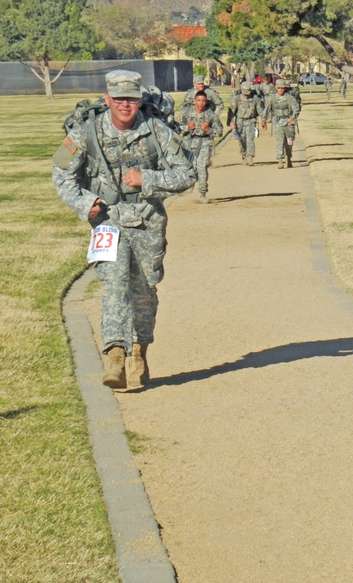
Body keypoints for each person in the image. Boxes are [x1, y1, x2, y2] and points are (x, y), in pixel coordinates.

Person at [52, 69, 195, 390]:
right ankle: (115, 355)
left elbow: (187, 173)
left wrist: (149, 180)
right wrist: (82, 202)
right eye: (118, 99)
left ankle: (139, 352)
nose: (125, 105)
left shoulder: (157, 131)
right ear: (107, 100)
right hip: (107, 220)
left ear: (139, 99)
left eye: (131, 99)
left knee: (145, 289)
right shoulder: (85, 133)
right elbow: (61, 172)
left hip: (148, 220)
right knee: (114, 284)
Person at [178, 90, 223, 202]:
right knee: (191, 167)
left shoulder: (210, 115)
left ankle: (202, 192)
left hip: (205, 143)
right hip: (189, 143)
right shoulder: (186, 113)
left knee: (202, 166)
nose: (201, 103)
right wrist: (187, 128)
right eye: (198, 100)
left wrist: (208, 130)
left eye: (203, 101)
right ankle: (191, 182)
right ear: (194, 101)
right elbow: (175, 127)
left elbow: (220, 131)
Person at [267, 78, 300, 169]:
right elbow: (267, 109)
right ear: (276, 88)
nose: (280, 90)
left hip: (289, 123)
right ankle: (280, 160)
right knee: (280, 141)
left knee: (289, 142)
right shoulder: (272, 98)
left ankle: (289, 157)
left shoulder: (290, 98)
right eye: (278, 88)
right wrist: (265, 120)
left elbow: (296, 108)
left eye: (282, 88)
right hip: (278, 122)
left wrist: (292, 118)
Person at [230, 81, 265, 166]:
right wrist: (231, 123)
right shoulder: (236, 98)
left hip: (251, 120)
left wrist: (263, 121)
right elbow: (231, 112)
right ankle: (243, 154)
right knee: (241, 140)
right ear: (241, 90)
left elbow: (260, 110)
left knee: (250, 139)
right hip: (240, 121)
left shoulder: (255, 98)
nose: (246, 95)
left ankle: (250, 156)